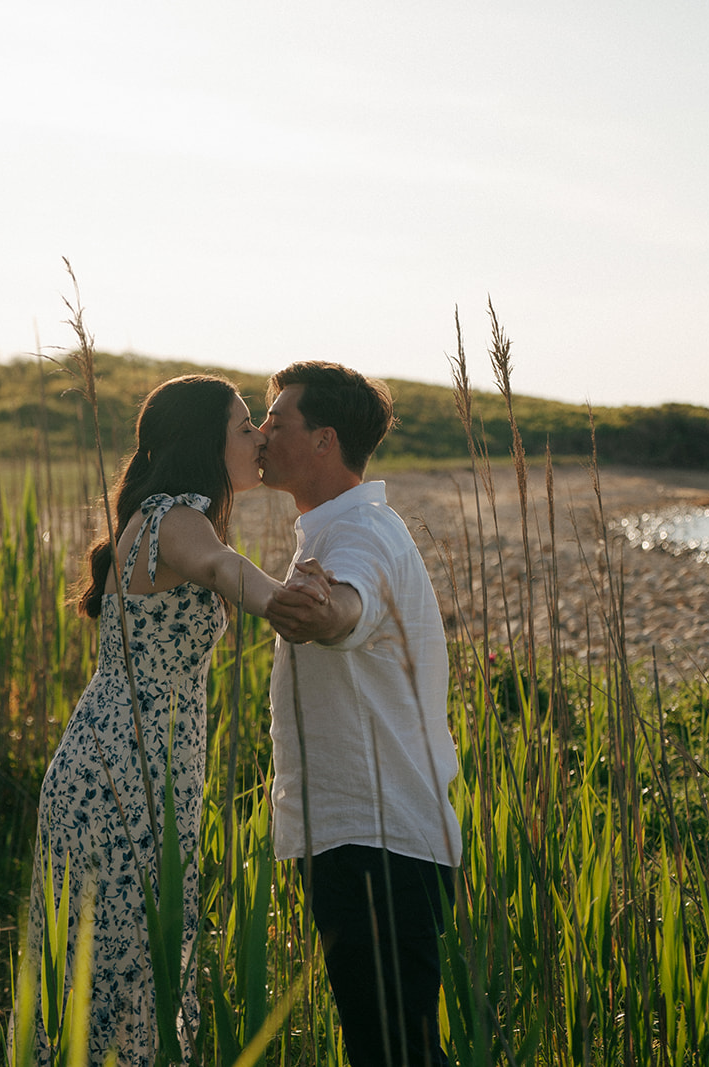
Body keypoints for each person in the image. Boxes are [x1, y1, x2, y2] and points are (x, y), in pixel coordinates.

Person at [23, 374, 330, 1067]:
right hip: (126, 774)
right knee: (124, 974)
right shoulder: (179, 520)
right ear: (205, 441)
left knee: (96, 975)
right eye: (244, 426)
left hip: (113, 758)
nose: (258, 439)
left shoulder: (155, 515)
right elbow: (223, 567)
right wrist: (284, 600)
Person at [260, 361, 464, 1067]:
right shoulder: (332, 530)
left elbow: (351, 606)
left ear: (324, 440)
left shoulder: (363, 533)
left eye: (276, 420)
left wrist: (323, 610)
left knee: (395, 1054)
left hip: (381, 845)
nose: (261, 432)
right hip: (370, 841)